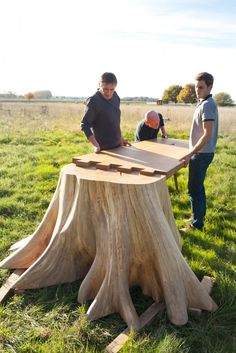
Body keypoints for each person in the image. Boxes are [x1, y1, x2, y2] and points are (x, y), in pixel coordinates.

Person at [181, 72, 218, 231]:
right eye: (196, 87)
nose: (197, 90)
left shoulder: (208, 105)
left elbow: (207, 134)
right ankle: (196, 217)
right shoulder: (204, 102)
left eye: (201, 87)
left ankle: (196, 225)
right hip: (201, 153)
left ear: (210, 87)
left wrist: (190, 154)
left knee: (194, 189)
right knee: (197, 188)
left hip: (201, 154)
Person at [80, 72, 130, 152]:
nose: (109, 93)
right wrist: (96, 145)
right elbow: (85, 125)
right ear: (99, 85)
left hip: (118, 145)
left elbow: (114, 120)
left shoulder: (116, 97)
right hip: (103, 149)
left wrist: (121, 138)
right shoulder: (93, 101)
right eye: (105, 89)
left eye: (112, 89)